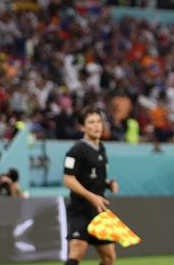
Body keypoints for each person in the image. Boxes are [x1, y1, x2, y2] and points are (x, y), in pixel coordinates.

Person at [62, 108, 119, 265]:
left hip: (99, 211)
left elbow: (92, 177)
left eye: (99, 122)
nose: (96, 126)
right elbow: (68, 179)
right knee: (77, 251)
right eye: (91, 122)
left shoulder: (101, 148)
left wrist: (108, 184)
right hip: (80, 210)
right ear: (82, 127)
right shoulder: (76, 151)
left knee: (109, 257)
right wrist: (91, 196)